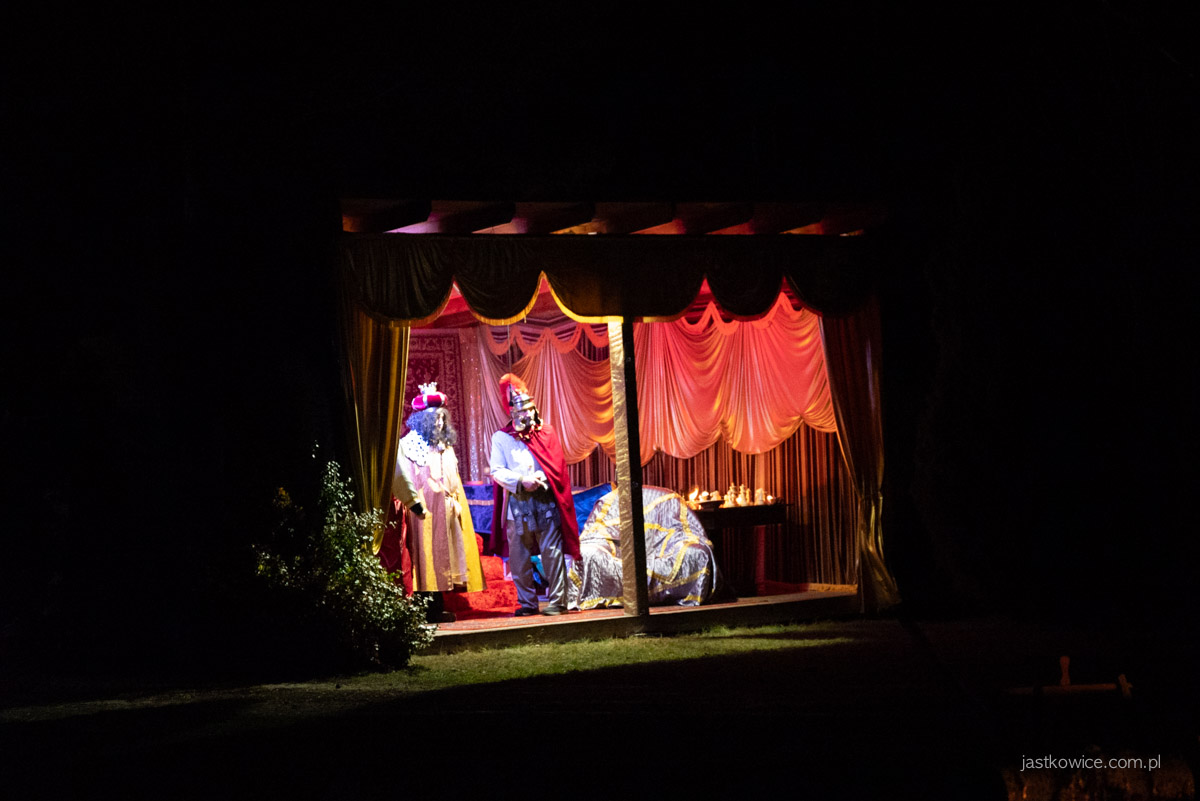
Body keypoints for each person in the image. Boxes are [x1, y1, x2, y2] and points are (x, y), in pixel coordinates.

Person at [489, 373, 580, 616]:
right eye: (521, 411)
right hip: (518, 506)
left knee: (552, 553)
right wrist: (521, 481)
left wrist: (543, 478)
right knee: (519, 558)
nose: (526, 415)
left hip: (546, 503)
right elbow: (497, 471)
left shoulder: (547, 432)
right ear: (512, 412)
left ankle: (558, 601)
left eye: (529, 409)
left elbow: (557, 468)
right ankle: (527, 603)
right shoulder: (501, 438)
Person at [393, 382, 485, 623]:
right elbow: (409, 481)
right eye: (434, 419)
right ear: (421, 420)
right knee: (426, 557)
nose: (439, 423)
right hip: (424, 513)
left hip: (446, 510)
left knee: (444, 557)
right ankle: (425, 608)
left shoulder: (445, 447)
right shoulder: (408, 446)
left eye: (442, 418)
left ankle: (437, 606)